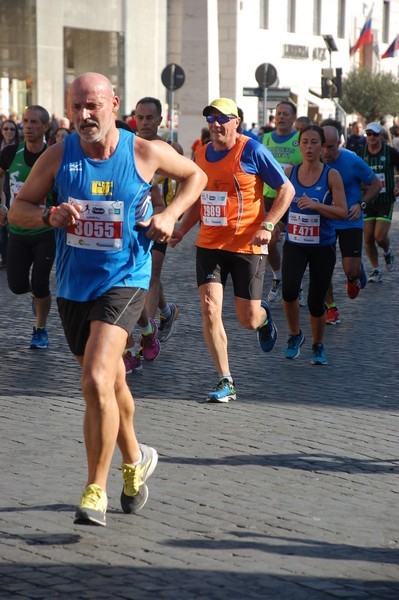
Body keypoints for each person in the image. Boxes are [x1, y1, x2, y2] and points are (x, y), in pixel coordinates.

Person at [8, 72, 207, 527]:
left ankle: (94, 488)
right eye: (77, 107)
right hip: (75, 285)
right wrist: (48, 214)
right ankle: (136, 458)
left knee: (96, 378)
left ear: (115, 105)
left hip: (127, 279)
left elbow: (195, 175)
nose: (84, 116)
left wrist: (171, 214)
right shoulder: (60, 156)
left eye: (93, 106)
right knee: (111, 381)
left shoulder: (143, 151)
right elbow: (19, 208)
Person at [170, 97, 294, 403]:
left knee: (247, 318)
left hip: (247, 246)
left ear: (236, 122)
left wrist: (267, 225)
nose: (215, 125)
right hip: (209, 244)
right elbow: (199, 199)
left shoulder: (252, 150)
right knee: (210, 307)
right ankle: (226, 379)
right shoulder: (199, 154)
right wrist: (183, 229)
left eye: (221, 119)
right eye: (210, 119)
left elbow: (286, 189)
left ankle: (264, 319)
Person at [123, 96, 184, 374]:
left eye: (150, 118)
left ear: (160, 120)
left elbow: (187, 183)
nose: (145, 122)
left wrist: (173, 215)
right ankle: (166, 311)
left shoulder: (172, 149)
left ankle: (146, 335)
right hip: (133, 224)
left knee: (152, 273)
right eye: (140, 117)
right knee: (145, 278)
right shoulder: (128, 147)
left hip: (160, 219)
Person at [282, 125, 347, 365]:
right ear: (299, 145)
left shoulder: (331, 175)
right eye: (305, 142)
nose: (309, 147)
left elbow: (341, 212)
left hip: (322, 245)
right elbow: (278, 203)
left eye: (314, 143)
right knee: (288, 290)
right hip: (295, 243)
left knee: (315, 301)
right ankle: (294, 335)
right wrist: (274, 225)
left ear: (322, 146)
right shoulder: (289, 173)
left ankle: (318, 345)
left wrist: (316, 205)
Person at [0, 105, 56, 348]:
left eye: (34, 122)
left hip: (45, 230)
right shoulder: (12, 153)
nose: (29, 127)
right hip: (18, 229)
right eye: (26, 122)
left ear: (45, 127)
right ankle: (35, 295)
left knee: (41, 282)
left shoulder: (54, 155)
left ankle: (40, 328)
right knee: (16, 285)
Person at [322, 126, 381, 324]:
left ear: (339, 143)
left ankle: (353, 275)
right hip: (324, 222)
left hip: (350, 220)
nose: (326, 152)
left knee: (351, 269)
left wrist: (361, 204)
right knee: (322, 269)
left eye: (331, 147)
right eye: (323, 146)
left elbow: (376, 184)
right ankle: (330, 308)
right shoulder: (312, 160)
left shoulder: (352, 160)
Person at [261, 101, 303, 304]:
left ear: (294, 118)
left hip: (293, 199)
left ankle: (296, 283)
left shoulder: (300, 140)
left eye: (286, 114)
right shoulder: (265, 139)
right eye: (278, 113)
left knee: (295, 245)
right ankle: (278, 276)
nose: (281, 117)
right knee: (269, 241)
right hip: (269, 198)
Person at [362, 122, 399, 281]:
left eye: (375, 134)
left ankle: (387, 252)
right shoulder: (361, 153)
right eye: (368, 134)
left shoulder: (390, 152)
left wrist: (398, 185)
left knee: (379, 236)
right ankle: (376, 270)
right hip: (368, 200)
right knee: (368, 237)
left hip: (385, 199)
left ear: (381, 136)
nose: (371, 137)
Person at [0, 119, 20, 267]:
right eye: (6, 129)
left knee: (9, 224)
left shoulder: (19, 150)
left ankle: (9, 258)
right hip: (1, 190)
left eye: (12, 129)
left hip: (12, 190)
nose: (9, 132)